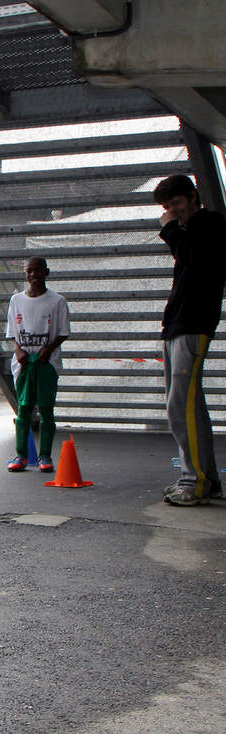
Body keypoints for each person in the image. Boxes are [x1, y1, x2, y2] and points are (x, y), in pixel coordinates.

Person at [153, 174, 226, 505]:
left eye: (176, 204)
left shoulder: (210, 224)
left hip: (193, 325)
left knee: (179, 406)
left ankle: (193, 482)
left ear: (193, 197)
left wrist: (170, 230)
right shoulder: (188, 232)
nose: (172, 212)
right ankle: (205, 479)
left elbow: (197, 262)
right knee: (191, 407)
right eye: (167, 208)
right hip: (178, 326)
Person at [5, 256, 69, 473]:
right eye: (29, 271)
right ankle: (21, 455)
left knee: (46, 408)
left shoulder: (57, 301)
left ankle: (45, 456)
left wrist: (48, 349)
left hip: (46, 362)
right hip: (24, 363)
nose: (33, 276)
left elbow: (62, 332)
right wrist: (18, 350)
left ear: (46, 272)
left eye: (38, 271)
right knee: (23, 408)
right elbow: (12, 332)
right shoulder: (16, 301)